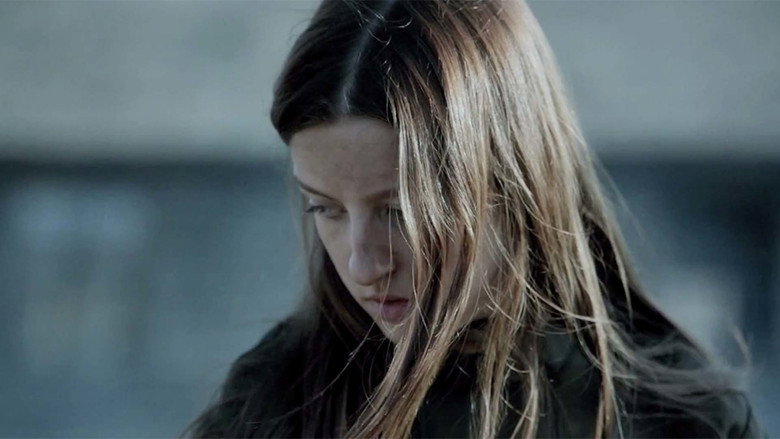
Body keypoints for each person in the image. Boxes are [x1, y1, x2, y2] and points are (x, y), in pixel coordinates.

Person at [184, 0, 764, 437]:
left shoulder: (681, 421)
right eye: (325, 209)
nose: (362, 265)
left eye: (400, 211)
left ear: (516, 181)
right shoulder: (274, 405)